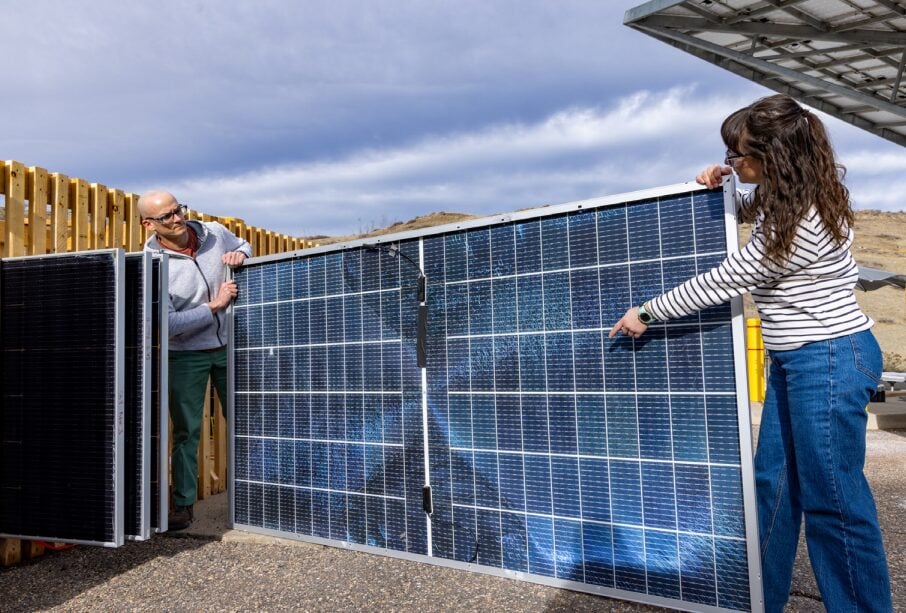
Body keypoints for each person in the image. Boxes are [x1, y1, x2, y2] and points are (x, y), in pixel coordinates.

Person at [609, 94, 892, 612]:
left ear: (775, 155)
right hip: (796, 361)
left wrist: (646, 313)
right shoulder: (790, 198)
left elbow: (732, 277)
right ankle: (762, 600)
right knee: (773, 489)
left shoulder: (805, 222)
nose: (733, 162)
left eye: (739, 156)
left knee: (833, 501)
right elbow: (750, 209)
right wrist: (725, 185)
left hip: (829, 359)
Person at [139, 190, 252, 531]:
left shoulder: (214, 232)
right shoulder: (151, 265)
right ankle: (183, 504)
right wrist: (213, 307)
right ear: (148, 225)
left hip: (232, 347)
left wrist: (238, 255)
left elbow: (246, 245)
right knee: (187, 432)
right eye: (166, 217)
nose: (177, 219)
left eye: (178, 210)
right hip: (185, 355)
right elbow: (166, 325)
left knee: (249, 424)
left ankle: (259, 494)